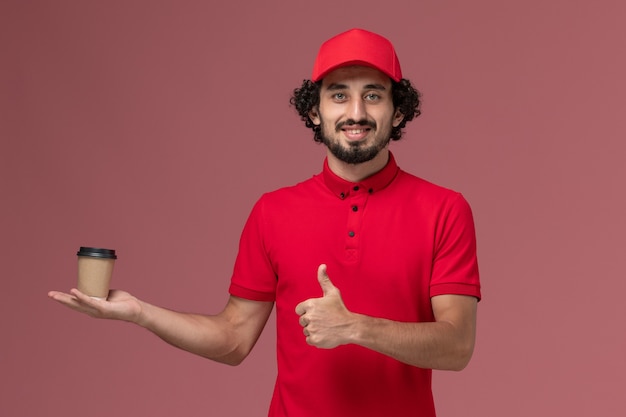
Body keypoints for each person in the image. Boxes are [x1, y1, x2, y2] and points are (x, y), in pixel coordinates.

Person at [49, 28, 481, 417]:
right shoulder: (273, 212)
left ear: (398, 111)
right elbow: (234, 338)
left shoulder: (444, 209)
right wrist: (140, 312)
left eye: (373, 94)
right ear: (314, 112)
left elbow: (457, 345)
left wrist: (355, 327)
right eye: (337, 94)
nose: (356, 112)